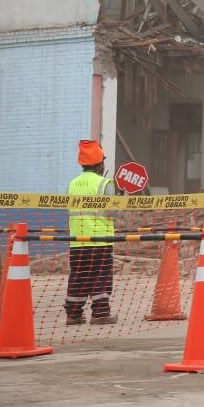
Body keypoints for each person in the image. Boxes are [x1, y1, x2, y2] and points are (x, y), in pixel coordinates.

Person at [64, 139, 118, 325]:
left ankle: (73, 315)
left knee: (78, 276)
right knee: (100, 275)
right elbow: (112, 212)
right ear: (100, 164)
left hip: (77, 241)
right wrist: (122, 200)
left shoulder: (72, 184)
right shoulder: (105, 183)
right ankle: (101, 314)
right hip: (100, 240)